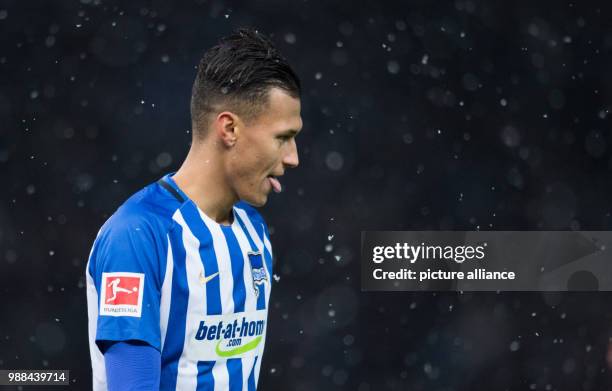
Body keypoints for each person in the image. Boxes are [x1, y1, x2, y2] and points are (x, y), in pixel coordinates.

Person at [86, 27, 302, 390]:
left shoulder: (254, 233)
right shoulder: (137, 236)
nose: (293, 158)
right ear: (229, 128)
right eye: (283, 138)